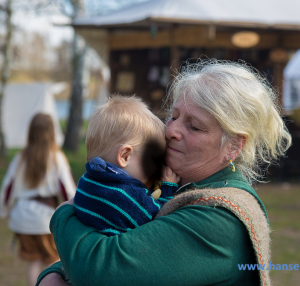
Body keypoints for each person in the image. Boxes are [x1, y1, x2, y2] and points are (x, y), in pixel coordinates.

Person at [36, 60, 291, 286]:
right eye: (174, 116)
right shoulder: (184, 186)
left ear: (234, 145)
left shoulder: (220, 218)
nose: (171, 131)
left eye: (194, 126)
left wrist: (63, 214)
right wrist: (51, 274)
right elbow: (111, 236)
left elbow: (100, 270)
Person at [61, 95, 179, 285]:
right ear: (125, 156)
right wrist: (168, 188)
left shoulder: (88, 180)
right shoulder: (123, 195)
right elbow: (158, 216)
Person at [0, 113, 76, 286]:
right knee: (54, 262)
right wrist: (73, 213)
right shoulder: (57, 158)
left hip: (23, 218)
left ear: (31, 132)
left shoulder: (21, 157)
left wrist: (4, 210)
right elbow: (68, 191)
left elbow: (7, 188)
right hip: (46, 220)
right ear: (51, 132)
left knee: (34, 262)